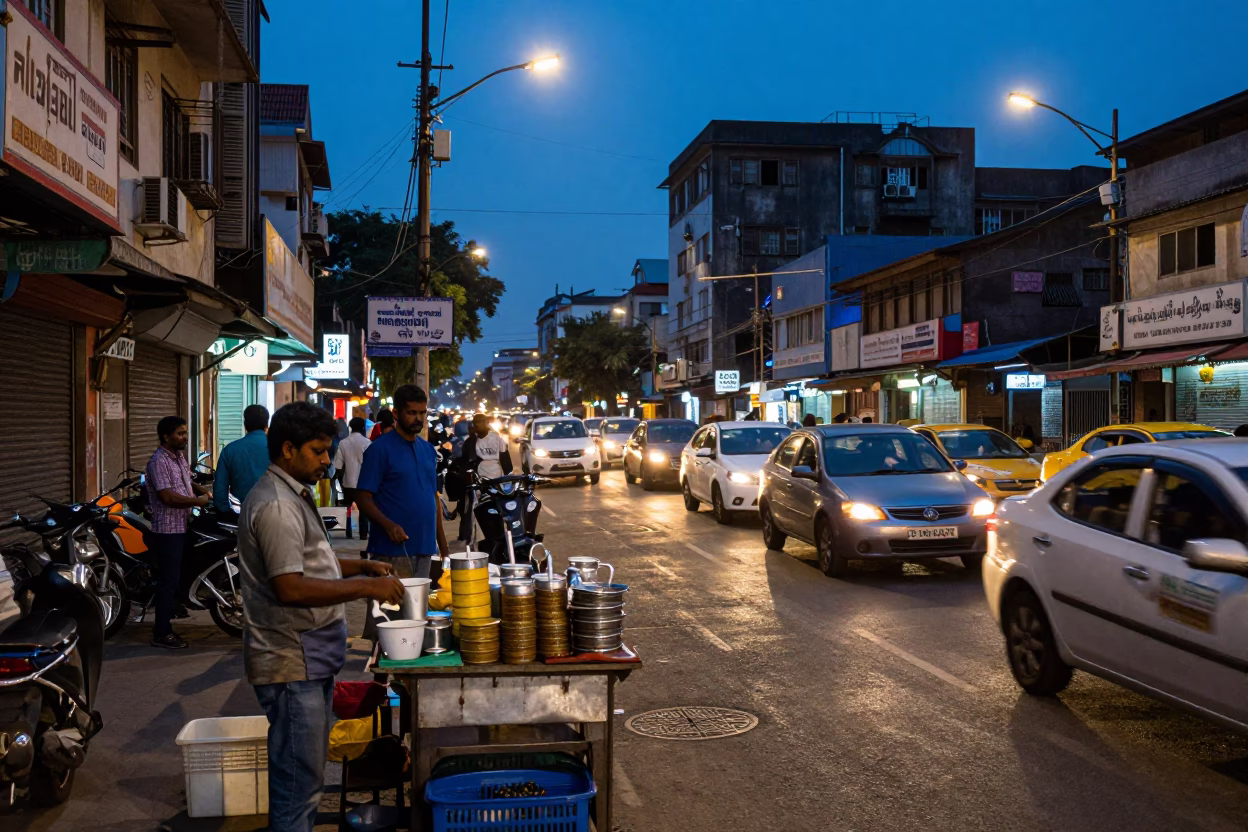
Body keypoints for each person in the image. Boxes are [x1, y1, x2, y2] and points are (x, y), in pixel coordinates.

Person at [237, 402, 404, 832]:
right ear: (288, 449)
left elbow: (316, 564)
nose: (328, 461)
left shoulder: (295, 493)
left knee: (303, 776)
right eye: (318, 451)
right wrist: (368, 588)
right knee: (299, 783)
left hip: (309, 658)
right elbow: (290, 586)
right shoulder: (276, 506)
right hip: (291, 662)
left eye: (328, 451)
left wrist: (362, 566)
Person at [355, 385, 449, 578]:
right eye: (412, 413)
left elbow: (434, 498)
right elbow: (363, 497)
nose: (418, 419)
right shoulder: (379, 449)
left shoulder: (428, 450)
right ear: (396, 413)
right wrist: (388, 525)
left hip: (425, 549)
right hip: (390, 551)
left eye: (422, 413)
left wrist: (443, 547)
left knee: (418, 607)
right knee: (391, 608)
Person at [146, 415, 212, 649]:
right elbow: (168, 497)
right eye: (181, 433)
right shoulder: (159, 462)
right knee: (168, 581)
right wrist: (197, 501)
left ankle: (180, 606)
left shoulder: (179, 457)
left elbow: (187, 479)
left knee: (184, 572)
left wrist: (204, 490)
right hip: (168, 529)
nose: (185, 437)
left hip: (184, 525)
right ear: (166, 436)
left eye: (185, 432)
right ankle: (161, 632)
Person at [457, 414, 514, 543]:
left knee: (498, 512)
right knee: (480, 513)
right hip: (479, 485)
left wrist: (505, 482)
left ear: (486, 422)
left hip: (496, 483)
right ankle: (481, 540)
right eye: (474, 422)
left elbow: (507, 464)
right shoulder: (470, 442)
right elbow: (465, 462)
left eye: (479, 422)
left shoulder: (497, 439)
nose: (476, 425)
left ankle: (499, 539)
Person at [214, 405, 271, 516]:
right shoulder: (279, 449)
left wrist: (226, 513)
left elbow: (220, 491)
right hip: (275, 515)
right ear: (266, 425)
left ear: (245, 424)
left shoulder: (230, 450)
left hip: (242, 516)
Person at [333, 418, 372, 539]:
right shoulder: (368, 443)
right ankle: (363, 534)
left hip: (348, 483)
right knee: (364, 510)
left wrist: (341, 482)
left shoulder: (343, 443)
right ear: (362, 428)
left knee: (348, 508)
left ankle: (348, 532)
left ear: (350, 428)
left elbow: (338, 466)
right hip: (364, 483)